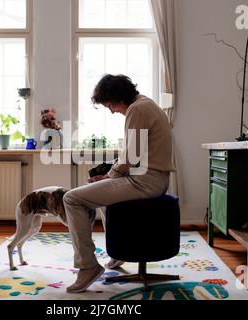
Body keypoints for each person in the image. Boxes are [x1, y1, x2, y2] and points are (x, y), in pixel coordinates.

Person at [63, 74, 175, 293]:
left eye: (109, 105)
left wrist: (109, 176)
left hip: (145, 181)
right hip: (153, 178)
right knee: (100, 196)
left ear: (117, 97)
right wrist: (110, 174)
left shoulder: (137, 109)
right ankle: (118, 252)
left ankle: (87, 266)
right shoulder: (146, 104)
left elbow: (131, 156)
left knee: (72, 198)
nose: (112, 111)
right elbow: (133, 154)